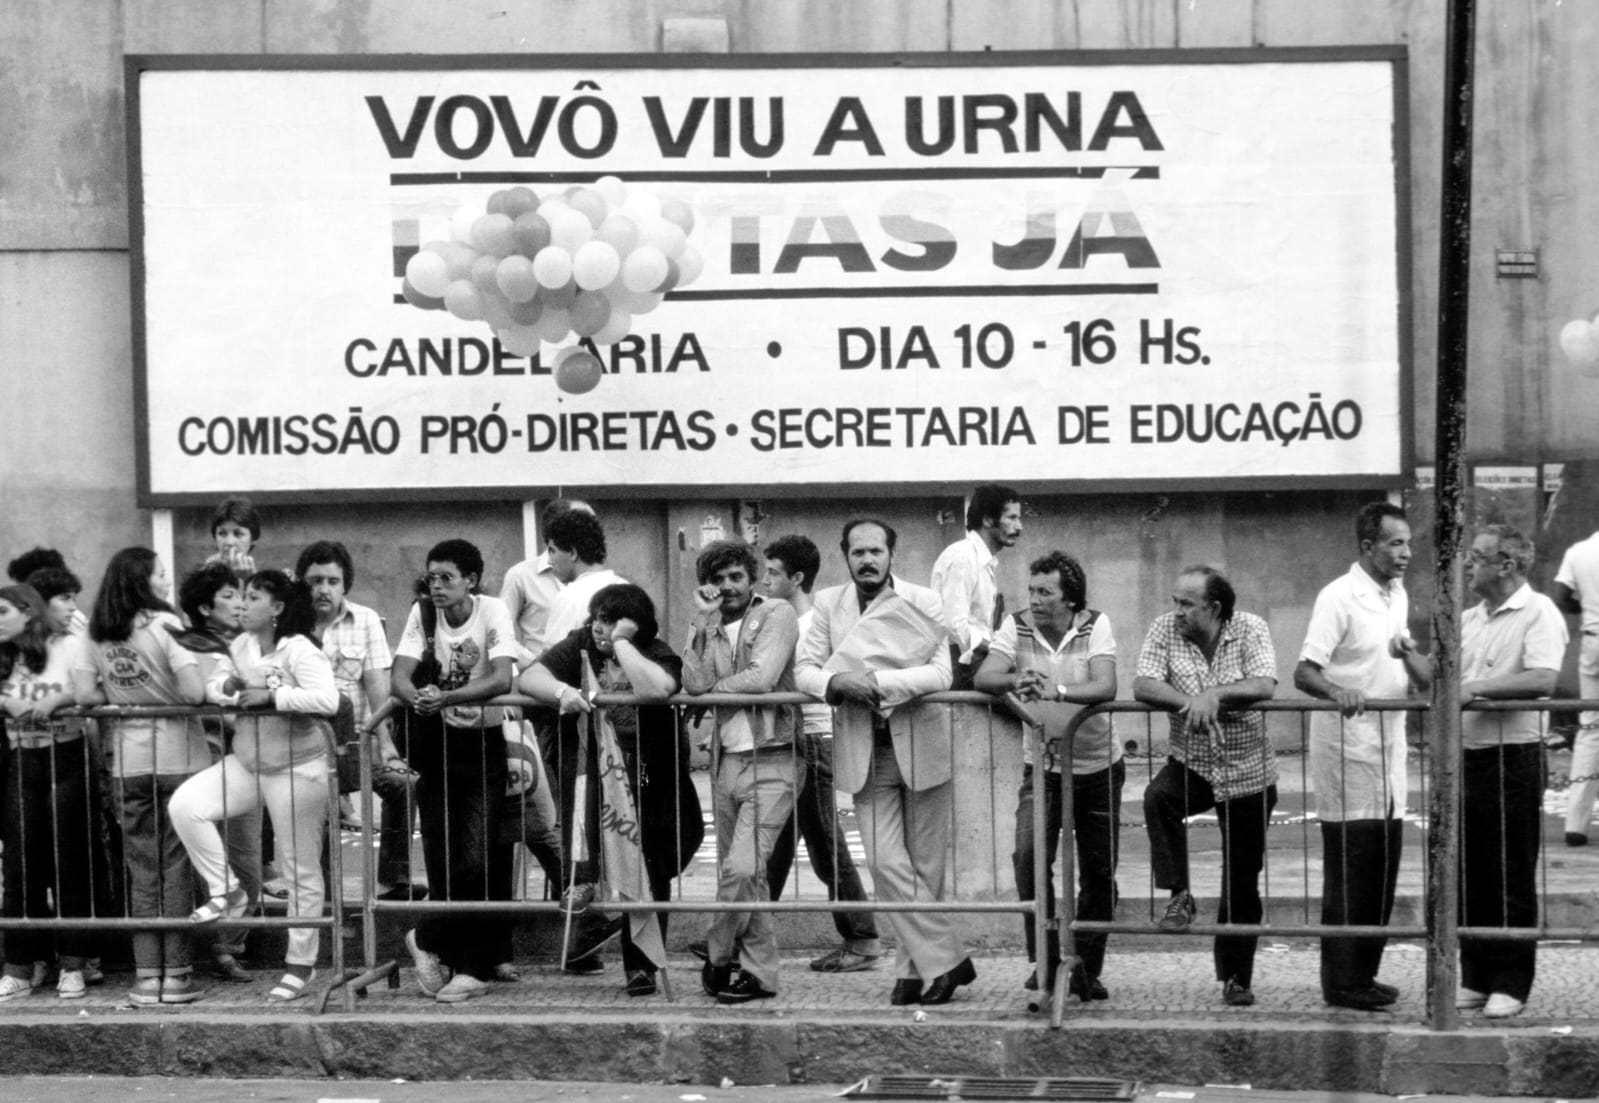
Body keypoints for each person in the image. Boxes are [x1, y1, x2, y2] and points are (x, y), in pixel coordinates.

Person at [795, 519, 970, 1006]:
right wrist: (835, 684)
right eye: (858, 552)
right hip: (864, 752)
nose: (867, 560)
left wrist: (871, 683)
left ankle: (915, 972)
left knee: (926, 869)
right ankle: (950, 959)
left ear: (892, 554)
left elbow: (941, 674)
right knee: (885, 863)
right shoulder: (828, 604)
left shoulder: (924, 601)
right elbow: (804, 669)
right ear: (845, 556)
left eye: (876, 551)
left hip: (921, 745)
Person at [520, 583, 705, 998]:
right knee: (591, 854)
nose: (599, 628)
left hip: (648, 777)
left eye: (610, 621)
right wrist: (563, 691)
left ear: (635, 627)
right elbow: (529, 677)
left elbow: (657, 689)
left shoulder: (656, 652)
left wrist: (622, 644)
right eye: (597, 619)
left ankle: (642, 966)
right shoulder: (580, 645)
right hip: (593, 773)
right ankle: (590, 922)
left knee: (652, 868)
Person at [170, 570, 338, 1003]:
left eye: (253, 597)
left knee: (298, 869)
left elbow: (328, 699)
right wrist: (229, 689)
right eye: (240, 596)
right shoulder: (241, 645)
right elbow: (215, 685)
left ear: (277, 608)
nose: (242, 604)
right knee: (186, 805)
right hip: (248, 762)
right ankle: (227, 889)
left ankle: (300, 966)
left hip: (298, 769)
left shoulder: (299, 648)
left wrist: (274, 697)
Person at [1294, 502, 1432, 1011]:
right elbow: (1305, 671)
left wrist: (1410, 659)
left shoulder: (1396, 594)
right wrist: (1338, 691)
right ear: (1368, 546)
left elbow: (1397, 658)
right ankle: (1341, 982)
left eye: (1408, 543)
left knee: (1382, 870)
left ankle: (1365, 976)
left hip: (1388, 753)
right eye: (1395, 543)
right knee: (1352, 871)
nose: (1406, 553)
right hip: (1348, 754)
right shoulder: (1339, 597)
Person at [975, 551, 1120, 1001]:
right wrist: (1016, 678)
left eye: (1045, 592)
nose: (1034, 599)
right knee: (1028, 857)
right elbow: (985, 677)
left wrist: (1056, 690)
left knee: (1098, 871)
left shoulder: (1095, 624)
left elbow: (1105, 685)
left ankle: (1087, 968)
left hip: (1097, 765)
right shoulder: (1016, 625)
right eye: (1031, 590)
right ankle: (1047, 958)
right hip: (1042, 766)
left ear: (1070, 599)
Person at [1134, 564, 1278, 1008]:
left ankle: (1236, 978)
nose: (1176, 611)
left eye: (1186, 604)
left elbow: (1265, 683)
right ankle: (1179, 894)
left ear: (1214, 608)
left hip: (1247, 771)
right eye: (1175, 601)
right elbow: (1143, 683)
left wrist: (1215, 695)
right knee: (1158, 797)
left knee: (1242, 881)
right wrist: (1190, 703)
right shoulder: (1165, 629)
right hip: (1191, 763)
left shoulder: (1250, 628)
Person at [73, 547, 210, 1005]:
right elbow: (193, 691)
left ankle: (146, 977)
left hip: (128, 763)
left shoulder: (97, 630)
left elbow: (84, 693)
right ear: (142, 580)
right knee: (176, 867)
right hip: (180, 758)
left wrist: (123, 696)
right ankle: (178, 977)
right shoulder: (168, 624)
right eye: (161, 574)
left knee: (141, 870)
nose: (168, 581)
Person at [390, 539, 517, 1004]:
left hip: (483, 746)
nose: (437, 586)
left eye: (447, 577)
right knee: (443, 860)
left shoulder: (492, 611)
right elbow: (399, 676)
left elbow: (502, 677)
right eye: (432, 577)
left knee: (477, 859)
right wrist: (419, 697)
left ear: (471, 580)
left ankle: (436, 942)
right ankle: (452, 958)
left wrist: (446, 697)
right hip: (436, 747)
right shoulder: (423, 613)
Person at [1454, 524, 1566, 1019]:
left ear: (1507, 564)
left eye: (1477, 556)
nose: (1467, 564)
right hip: (1468, 755)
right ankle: (1475, 976)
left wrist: (1478, 689)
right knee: (1471, 871)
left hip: (1513, 755)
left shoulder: (1538, 611)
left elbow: (1543, 677)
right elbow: (1446, 677)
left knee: (1510, 870)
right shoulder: (1468, 618)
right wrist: (1409, 657)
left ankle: (1511, 981)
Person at [681, 540, 800, 1004]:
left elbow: (761, 678)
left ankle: (718, 952)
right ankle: (761, 975)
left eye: (736, 577)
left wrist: (712, 694)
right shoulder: (710, 625)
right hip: (725, 762)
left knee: (743, 867)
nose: (728, 586)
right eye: (718, 579)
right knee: (750, 877)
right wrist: (701, 622)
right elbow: (693, 682)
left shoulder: (776, 613)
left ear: (752, 579)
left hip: (774, 758)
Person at [761, 535, 883, 973]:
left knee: (826, 844)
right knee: (776, 844)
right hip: (794, 740)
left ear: (796, 578)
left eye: (773, 572)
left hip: (812, 740)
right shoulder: (785, 620)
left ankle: (863, 938)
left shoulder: (811, 623)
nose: (765, 580)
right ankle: (740, 930)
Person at [295, 540, 420, 901]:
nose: (324, 589)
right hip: (307, 746)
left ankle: (393, 881)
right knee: (319, 807)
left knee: (404, 784)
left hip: (358, 742)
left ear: (344, 584)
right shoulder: (292, 623)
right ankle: (323, 897)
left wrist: (387, 744)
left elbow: (377, 685)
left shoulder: (365, 619)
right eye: (315, 581)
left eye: (332, 581)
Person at [0, 583, 95, 1003]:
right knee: (21, 865)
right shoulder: (4, 653)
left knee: (68, 861)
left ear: (27, 611)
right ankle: (20, 966)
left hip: (66, 755)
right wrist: (6, 702)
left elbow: (92, 688)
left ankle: (73, 964)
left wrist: (58, 698)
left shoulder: (67, 644)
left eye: (2, 612)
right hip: (22, 758)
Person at [170, 561, 262, 982]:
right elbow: (205, 703)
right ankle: (210, 948)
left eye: (242, 595)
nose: (240, 603)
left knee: (247, 859)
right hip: (203, 763)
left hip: (246, 761)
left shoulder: (247, 644)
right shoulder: (191, 648)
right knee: (203, 857)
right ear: (206, 607)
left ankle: (230, 945)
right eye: (229, 596)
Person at [930, 484, 1023, 689]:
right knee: (1022, 689)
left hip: (972, 662)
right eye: (1011, 518)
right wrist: (997, 651)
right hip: (959, 664)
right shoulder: (963, 556)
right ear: (988, 519)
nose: (1019, 527)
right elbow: (954, 625)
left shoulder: (982, 561)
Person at [1554, 526, 1599, 846]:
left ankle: (1576, 825)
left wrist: (1589, 606)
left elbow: (1562, 597)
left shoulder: (1579, 551)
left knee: (1591, 728)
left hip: (1593, 640)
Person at [541, 509, 625, 646]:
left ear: (573, 553)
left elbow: (553, 656)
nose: (549, 561)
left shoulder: (569, 598)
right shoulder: (629, 589)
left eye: (552, 551)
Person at [206, 496, 261, 579]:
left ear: (253, 539)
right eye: (222, 533)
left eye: (238, 534)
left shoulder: (262, 580)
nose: (229, 542)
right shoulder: (205, 574)